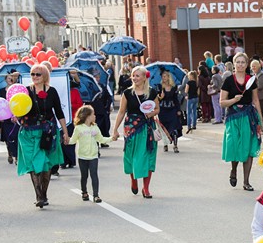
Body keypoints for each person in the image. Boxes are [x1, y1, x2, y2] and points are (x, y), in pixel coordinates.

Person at [16, 64, 70, 208]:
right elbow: (18, 109)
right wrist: (15, 114)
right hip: (28, 133)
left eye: (38, 74)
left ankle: (43, 194)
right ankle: (39, 195)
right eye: (32, 74)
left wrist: (65, 132)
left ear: (45, 76)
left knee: (46, 164)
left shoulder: (52, 92)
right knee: (33, 165)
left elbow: (59, 112)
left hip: (46, 133)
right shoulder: (26, 91)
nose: (34, 77)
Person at [111, 66, 160, 199]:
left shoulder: (151, 92)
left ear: (144, 77)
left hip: (147, 127)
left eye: (138, 75)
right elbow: (121, 112)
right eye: (133, 75)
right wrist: (115, 129)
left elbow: (157, 109)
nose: (135, 78)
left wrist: (151, 114)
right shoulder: (127, 93)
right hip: (132, 128)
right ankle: (133, 179)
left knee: (147, 157)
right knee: (132, 156)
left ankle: (146, 188)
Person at [220, 52, 262, 191]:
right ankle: (233, 170)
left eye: (243, 62)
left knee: (248, 147)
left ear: (247, 64)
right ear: (234, 63)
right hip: (233, 117)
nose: (240, 64)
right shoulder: (228, 80)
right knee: (233, 145)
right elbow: (222, 102)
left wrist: (260, 119)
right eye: (238, 62)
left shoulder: (251, 80)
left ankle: (246, 181)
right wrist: (234, 100)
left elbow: (255, 100)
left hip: (248, 117)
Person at [69, 105, 112, 202]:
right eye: (93, 114)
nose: (95, 116)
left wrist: (111, 138)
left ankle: (96, 195)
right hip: (82, 156)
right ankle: (84, 192)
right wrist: (67, 140)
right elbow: (73, 140)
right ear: (87, 116)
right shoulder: (79, 128)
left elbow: (101, 139)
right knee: (84, 176)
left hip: (93, 155)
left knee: (94, 175)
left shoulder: (95, 127)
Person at [0, 71, 20, 164]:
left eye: (12, 77)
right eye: (8, 77)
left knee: (17, 137)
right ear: (5, 79)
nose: (10, 79)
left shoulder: (18, 89)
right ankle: (10, 153)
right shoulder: (1, 91)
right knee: (8, 138)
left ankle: (17, 156)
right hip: (5, 117)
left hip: (16, 116)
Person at [158, 71, 183, 153]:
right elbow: (156, 99)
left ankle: (175, 146)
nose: (164, 78)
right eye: (163, 76)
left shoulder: (174, 87)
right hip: (163, 111)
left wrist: (178, 110)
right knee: (164, 128)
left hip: (172, 110)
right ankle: (165, 144)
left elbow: (176, 100)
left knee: (175, 128)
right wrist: (161, 97)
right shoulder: (159, 87)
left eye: (165, 76)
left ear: (169, 77)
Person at [250, 59, 263, 135]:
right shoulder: (254, 75)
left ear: (258, 66)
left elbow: (260, 86)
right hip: (257, 97)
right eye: (252, 66)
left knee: (261, 112)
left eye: (254, 66)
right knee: (258, 112)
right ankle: (260, 128)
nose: (253, 67)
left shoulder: (261, 75)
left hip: (261, 97)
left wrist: (252, 87)